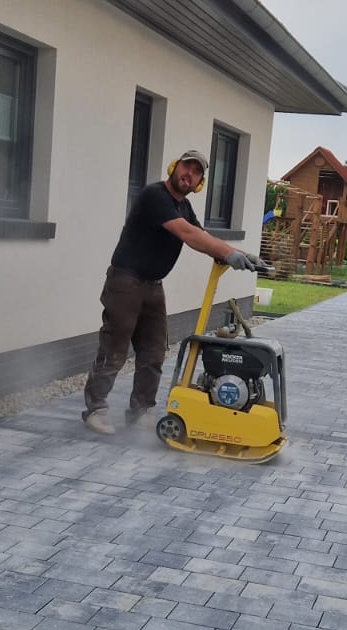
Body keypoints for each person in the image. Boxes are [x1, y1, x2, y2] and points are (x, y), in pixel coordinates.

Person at [83, 149, 269, 435]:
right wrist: (228, 254)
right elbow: (189, 235)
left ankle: (141, 410)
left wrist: (244, 256)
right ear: (174, 167)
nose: (189, 174)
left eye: (196, 172)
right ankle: (95, 409)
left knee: (154, 352)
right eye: (186, 167)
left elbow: (202, 235)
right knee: (115, 348)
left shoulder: (184, 207)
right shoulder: (155, 196)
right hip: (125, 282)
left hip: (153, 286)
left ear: (199, 183)